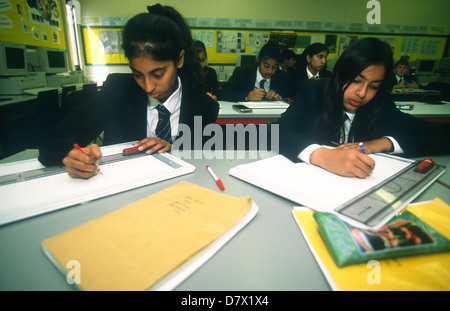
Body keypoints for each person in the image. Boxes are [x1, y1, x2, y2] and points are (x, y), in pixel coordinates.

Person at [38, 4, 219, 179]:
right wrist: (70, 156)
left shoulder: (204, 106)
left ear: (179, 59)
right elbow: (53, 140)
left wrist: (173, 149)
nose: (148, 87)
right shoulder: (117, 92)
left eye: (157, 74)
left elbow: (205, 161)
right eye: (137, 74)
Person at [279, 37, 449, 178]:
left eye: (374, 86)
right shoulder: (313, 92)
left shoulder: (380, 104)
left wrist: (382, 143)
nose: (362, 93)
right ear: (341, 73)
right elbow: (276, 132)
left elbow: (441, 135)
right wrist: (321, 156)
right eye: (356, 81)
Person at [219, 40, 295, 102]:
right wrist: (247, 96)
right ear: (258, 60)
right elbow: (224, 93)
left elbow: (292, 97)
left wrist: (279, 97)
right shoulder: (242, 72)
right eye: (266, 66)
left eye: (274, 67)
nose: (270, 71)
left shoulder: (284, 76)